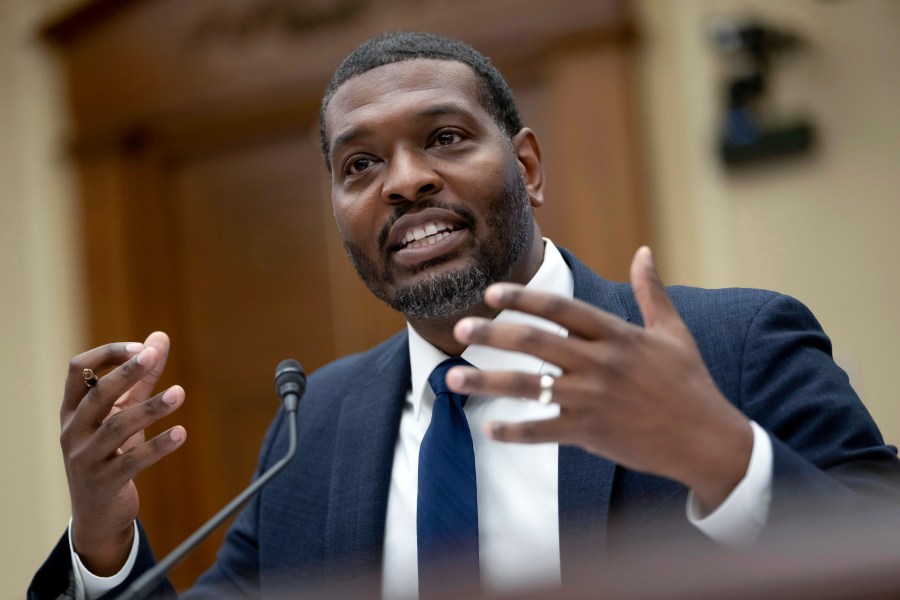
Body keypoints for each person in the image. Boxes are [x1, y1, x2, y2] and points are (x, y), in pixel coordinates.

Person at [30, 31, 900, 600]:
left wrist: (725, 459)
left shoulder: (734, 345)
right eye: (360, 164)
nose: (403, 180)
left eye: (444, 138)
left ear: (527, 165)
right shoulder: (314, 429)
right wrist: (102, 543)